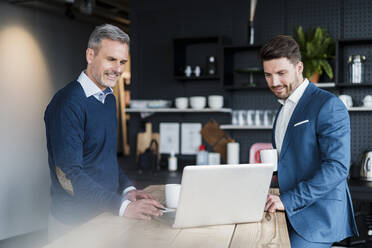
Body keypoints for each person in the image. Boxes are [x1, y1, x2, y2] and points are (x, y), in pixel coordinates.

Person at [44, 24, 164, 239]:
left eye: (123, 62)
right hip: (74, 224)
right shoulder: (67, 103)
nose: (118, 69)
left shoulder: (108, 98)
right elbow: (68, 176)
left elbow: (104, 159)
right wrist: (122, 206)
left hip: (105, 216)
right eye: (111, 59)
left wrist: (128, 190)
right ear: (91, 55)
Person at [259, 35, 358, 247]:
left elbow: (337, 168)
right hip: (288, 210)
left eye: (281, 73)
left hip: (318, 217)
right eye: (268, 75)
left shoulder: (328, 105)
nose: (274, 82)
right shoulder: (283, 109)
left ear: (299, 67)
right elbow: (291, 162)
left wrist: (287, 200)